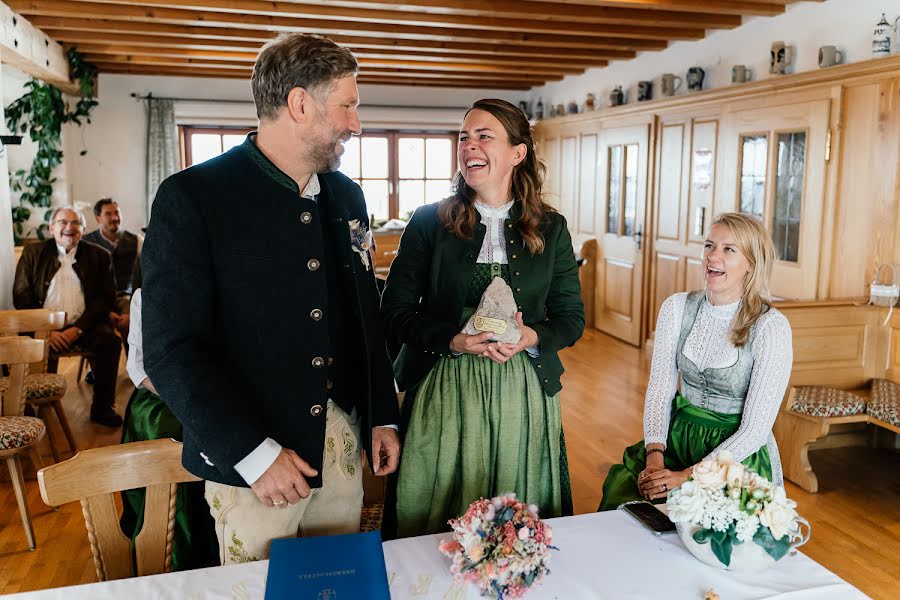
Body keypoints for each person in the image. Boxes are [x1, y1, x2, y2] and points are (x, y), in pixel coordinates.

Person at [142, 33, 401, 564]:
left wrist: (382, 414)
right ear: (300, 103)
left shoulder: (347, 196)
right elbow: (171, 351)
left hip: (344, 446)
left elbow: (363, 316)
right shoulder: (193, 198)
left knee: (339, 585)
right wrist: (253, 455)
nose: (356, 123)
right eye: (348, 105)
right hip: (254, 463)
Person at [381, 99, 584, 538]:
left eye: (483, 136)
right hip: (444, 384)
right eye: (463, 137)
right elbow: (394, 312)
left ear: (517, 152)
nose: (469, 145)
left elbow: (571, 318)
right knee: (436, 505)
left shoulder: (551, 228)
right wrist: (452, 340)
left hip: (523, 392)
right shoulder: (427, 222)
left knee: (515, 511)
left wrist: (532, 335)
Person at [597, 213, 792, 510]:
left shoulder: (770, 327)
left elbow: (754, 430)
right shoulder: (677, 308)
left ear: (751, 263)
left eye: (729, 249)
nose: (713, 256)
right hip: (675, 440)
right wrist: (654, 457)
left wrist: (686, 477)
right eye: (709, 245)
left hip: (733, 457)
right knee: (630, 507)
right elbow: (661, 388)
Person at [119, 288, 218, 571]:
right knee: (168, 430)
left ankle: (215, 539)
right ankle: (167, 543)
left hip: (212, 393)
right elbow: (137, 368)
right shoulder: (144, 296)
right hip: (159, 395)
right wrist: (181, 396)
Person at [13, 207, 123, 427]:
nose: (69, 228)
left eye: (76, 223)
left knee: (110, 341)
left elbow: (105, 299)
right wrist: (46, 330)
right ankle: (26, 409)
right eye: (63, 222)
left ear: (82, 230)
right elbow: (21, 295)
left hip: (85, 326)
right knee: (17, 346)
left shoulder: (100, 256)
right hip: (41, 328)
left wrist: (78, 329)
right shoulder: (32, 254)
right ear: (52, 228)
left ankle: (102, 409)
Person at [82, 198, 142, 338]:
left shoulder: (136, 240)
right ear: (98, 218)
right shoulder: (85, 242)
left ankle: (132, 359)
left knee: (132, 323)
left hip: (125, 297)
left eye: (117, 212)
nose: (115, 218)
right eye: (108, 214)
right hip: (95, 298)